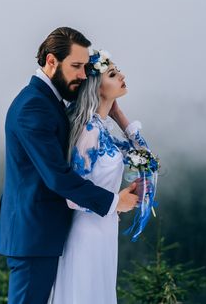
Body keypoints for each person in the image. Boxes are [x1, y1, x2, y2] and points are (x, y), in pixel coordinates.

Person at [0, 27, 139, 304]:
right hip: (34, 235)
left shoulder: (48, 101)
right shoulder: (33, 107)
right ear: (51, 61)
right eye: (76, 66)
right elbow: (57, 177)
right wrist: (113, 202)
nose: (83, 75)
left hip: (45, 233)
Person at [49, 49, 152, 304]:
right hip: (87, 235)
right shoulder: (88, 131)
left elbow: (147, 158)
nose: (122, 76)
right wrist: (117, 201)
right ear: (96, 87)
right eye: (113, 74)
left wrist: (119, 117)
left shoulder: (103, 129)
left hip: (104, 232)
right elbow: (71, 197)